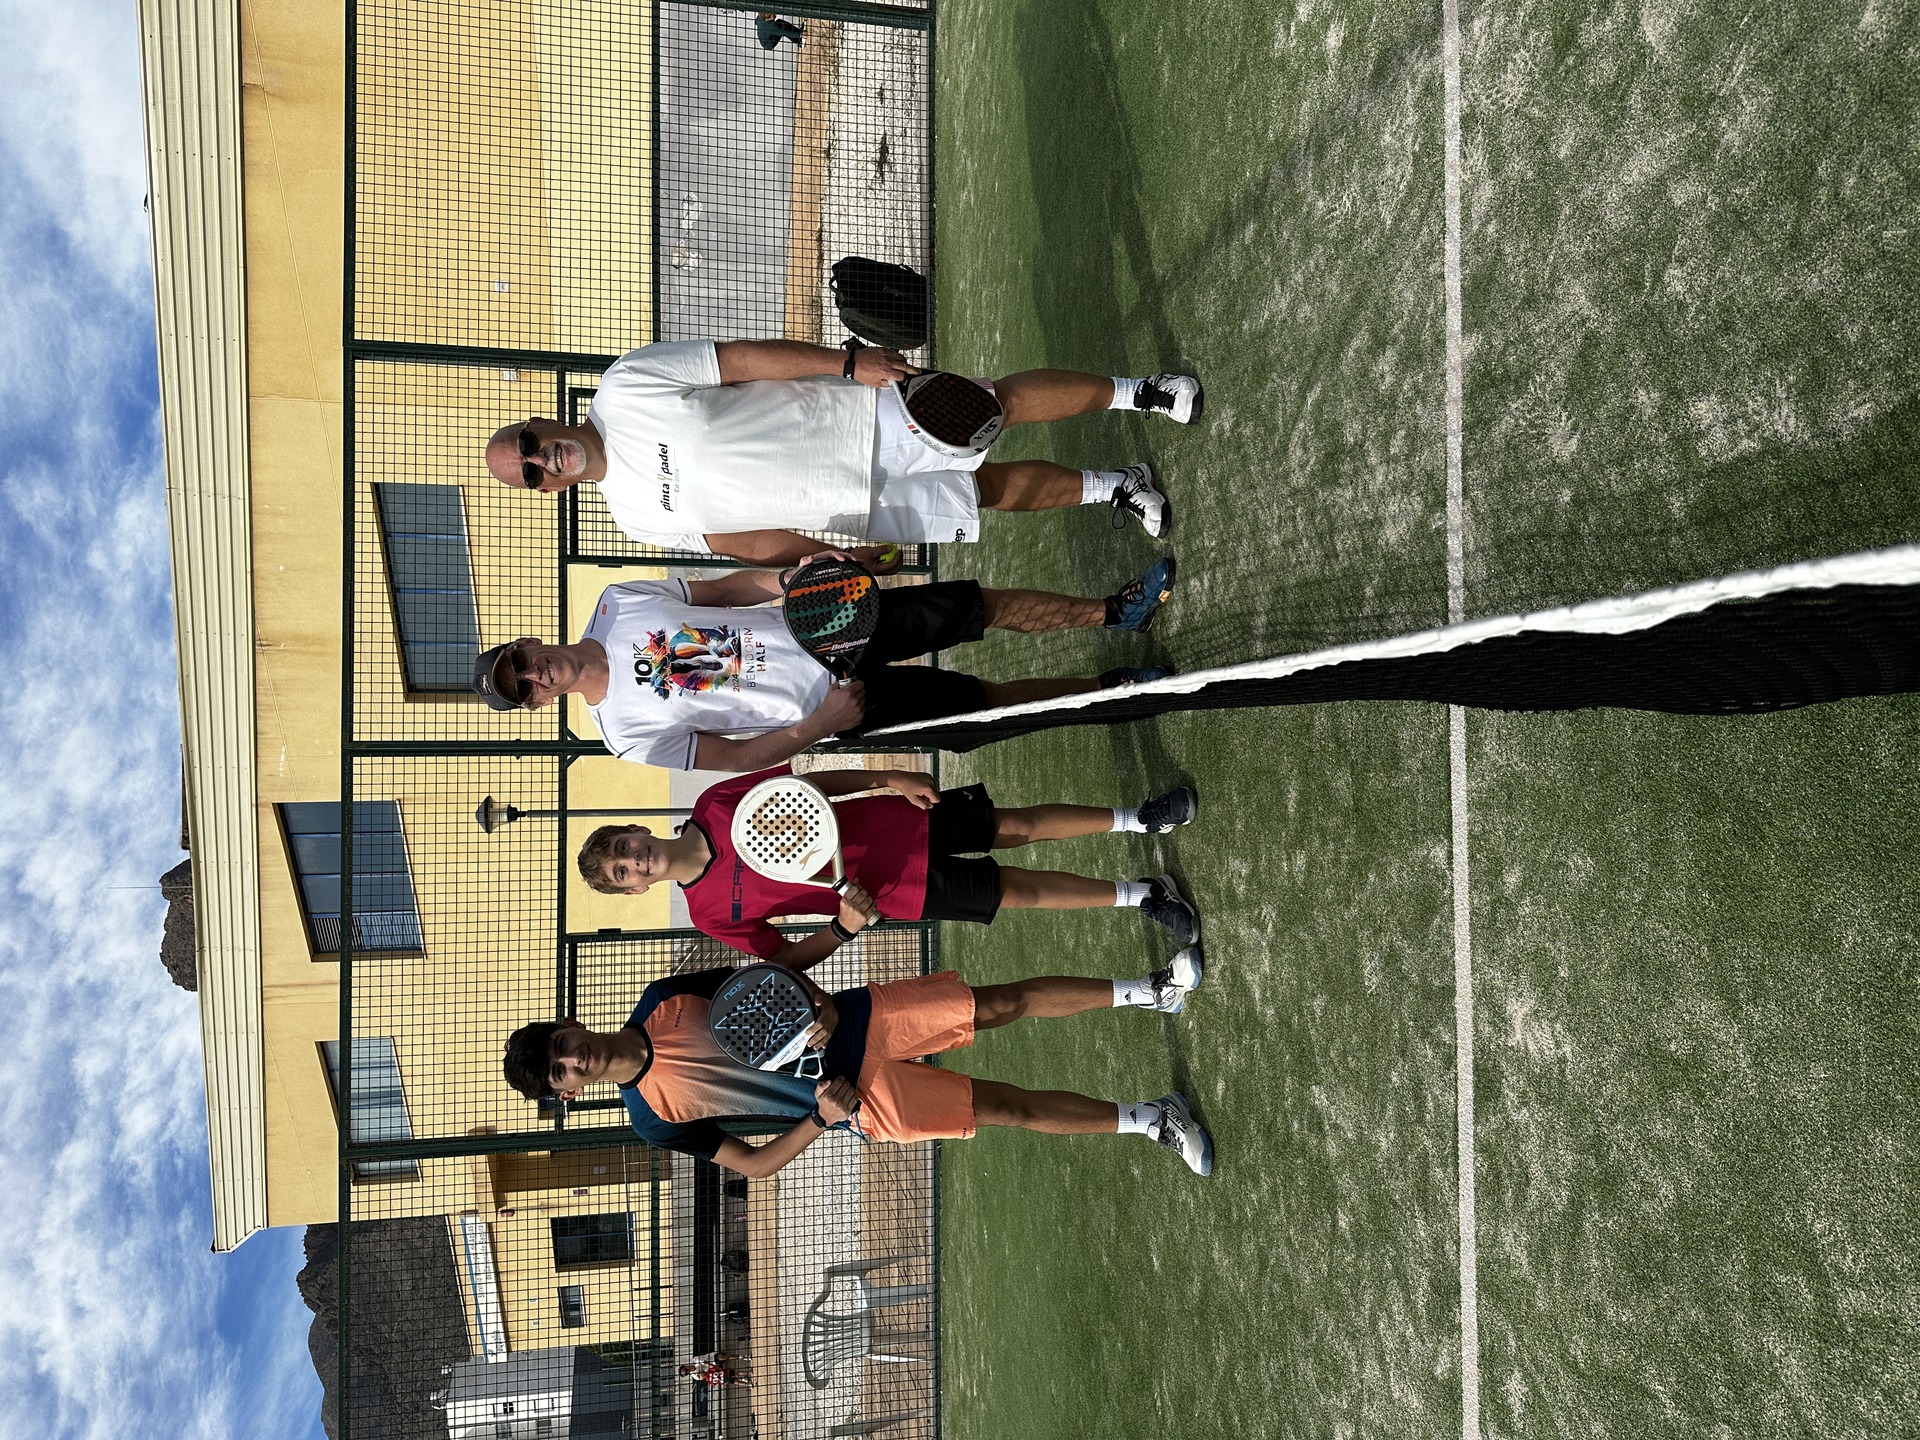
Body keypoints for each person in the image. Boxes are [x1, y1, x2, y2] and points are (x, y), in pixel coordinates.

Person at [483, 337, 1204, 563]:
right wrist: (824, 557)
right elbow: (742, 540)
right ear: (547, 491)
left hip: (857, 416)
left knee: (995, 408)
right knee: (985, 494)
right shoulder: (633, 519)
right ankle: (1117, 485)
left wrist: (848, 363)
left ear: (540, 422)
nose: (542, 460)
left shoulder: (623, 386)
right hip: (849, 507)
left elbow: (741, 360)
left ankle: (1141, 392)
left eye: (529, 444)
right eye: (531, 475)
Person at [500, 959, 1216, 1179]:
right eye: (560, 1073)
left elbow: (768, 973)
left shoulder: (664, 998)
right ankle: (1153, 1119)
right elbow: (753, 1165)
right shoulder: (652, 1121)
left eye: (560, 1046)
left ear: (569, 1023)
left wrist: (817, 1002)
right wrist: (821, 1118)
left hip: (857, 1021)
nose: (572, 1059)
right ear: (568, 1094)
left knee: (1002, 1003)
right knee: (1010, 1108)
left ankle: (1150, 989)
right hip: (858, 1103)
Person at [467, 558, 1176, 771]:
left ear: (526, 643)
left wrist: (789, 580)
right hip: (834, 707)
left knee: (976, 607)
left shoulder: (615, 602)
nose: (534, 674)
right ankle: (1111, 689)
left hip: (826, 623)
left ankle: (1116, 611)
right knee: (985, 703)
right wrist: (821, 725)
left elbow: (725, 592)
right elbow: (735, 758)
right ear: (537, 703)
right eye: (523, 689)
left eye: (519, 661)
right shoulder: (623, 734)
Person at [576, 765, 1205, 953]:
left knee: (1017, 825)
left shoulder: (714, 802)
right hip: (897, 894)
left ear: (634, 829)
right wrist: (841, 928)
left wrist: (888, 778)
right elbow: (786, 958)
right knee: (1021, 891)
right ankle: (1142, 894)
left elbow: (808, 786)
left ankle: (1139, 816)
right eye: (623, 871)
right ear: (633, 891)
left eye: (624, 847)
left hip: (895, 819)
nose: (634, 860)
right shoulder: (708, 914)